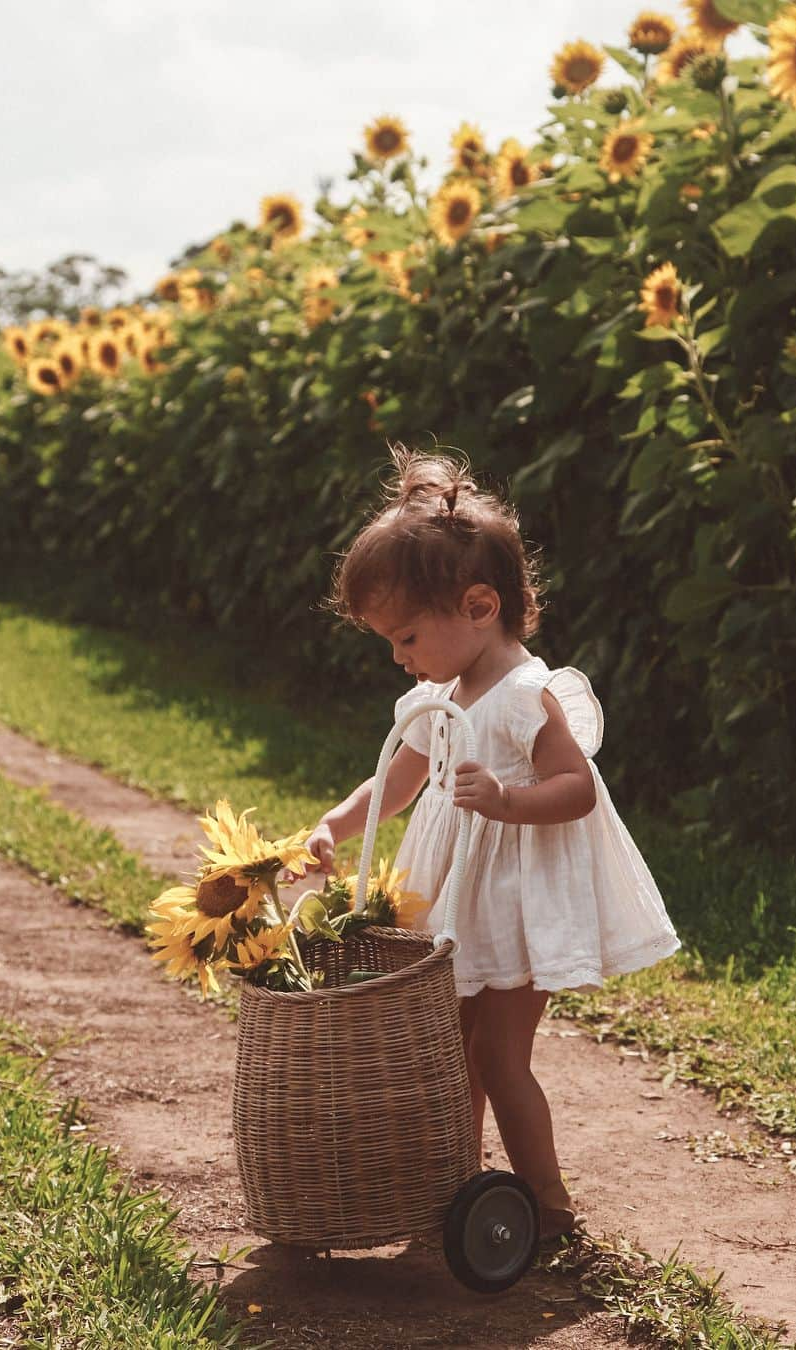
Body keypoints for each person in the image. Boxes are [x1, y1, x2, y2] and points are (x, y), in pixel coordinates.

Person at [304, 443, 681, 1242]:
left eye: (405, 638)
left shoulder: (523, 695)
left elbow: (576, 791)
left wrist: (508, 799)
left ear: (479, 607)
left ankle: (549, 1207)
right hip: (458, 899)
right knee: (451, 1052)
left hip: (518, 899)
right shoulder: (440, 694)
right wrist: (338, 823)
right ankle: (456, 1184)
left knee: (501, 1055)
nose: (399, 659)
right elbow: (397, 781)